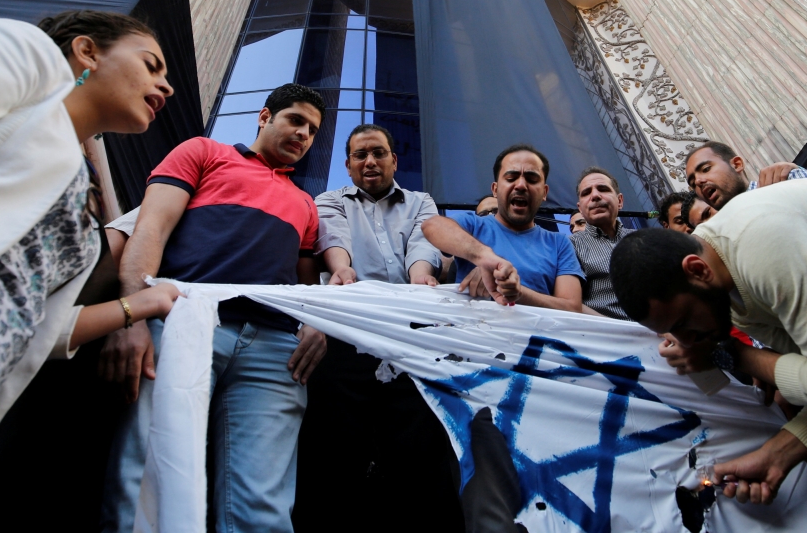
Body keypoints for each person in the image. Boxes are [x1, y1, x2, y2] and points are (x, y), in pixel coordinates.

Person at [0, 11, 180, 530]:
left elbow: (39, 329)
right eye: (151, 65)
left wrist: (140, 305)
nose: (165, 85)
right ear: (87, 52)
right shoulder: (23, 54)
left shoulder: (85, 216)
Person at [99, 83, 328, 532]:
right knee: (146, 471)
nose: (304, 134)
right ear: (265, 116)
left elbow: (307, 284)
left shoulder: (307, 205)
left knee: (263, 504)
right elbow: (151, 230)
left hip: (275, 350)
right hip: (184, 319)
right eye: (295, 120)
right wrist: (131, 316)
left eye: (313, 131)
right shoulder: (203, 152)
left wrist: (316, 322)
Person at [607, 177, 807, 507]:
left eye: (683, 323)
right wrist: (778, 454)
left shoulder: (761, 240)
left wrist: (737, 357)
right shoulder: (722, 280)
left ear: (697, 270)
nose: (688, 341)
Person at [294, 124, 463, 531]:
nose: (370, 161)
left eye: (379, 153)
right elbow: (333, 239)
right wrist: (342, 270)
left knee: (423, 453)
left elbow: (425, 245)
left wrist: (421, 277)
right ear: (349, 165)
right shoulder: (329, 200)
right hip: (346, 335)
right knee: (334, 453)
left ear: (394, 160)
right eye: (360, 155)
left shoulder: (422, 201)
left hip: (411, 339)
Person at [422, 144, 585, 313]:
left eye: (532, 179)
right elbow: (432, 225)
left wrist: (517, 292)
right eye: (511, 178)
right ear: (495, 189)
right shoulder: (474, 224)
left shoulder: (560, 243)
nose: (521, 185)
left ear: (544, 193)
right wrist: (485, 258)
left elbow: (572, 308)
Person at [570, 167, 633, 319]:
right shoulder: (570, 246)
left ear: (620, 201)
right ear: (580, 208)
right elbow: (569, 303)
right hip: (607, 336)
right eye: (586, 193)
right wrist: (624, 330)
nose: (595, 196)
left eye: (603, 189)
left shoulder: (646, 240)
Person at [685, 141, 807, 209]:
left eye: (706, 169)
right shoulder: (723, 240)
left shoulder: (783, 182)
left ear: (737, 164)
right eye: (692, 184)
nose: (698, 182)